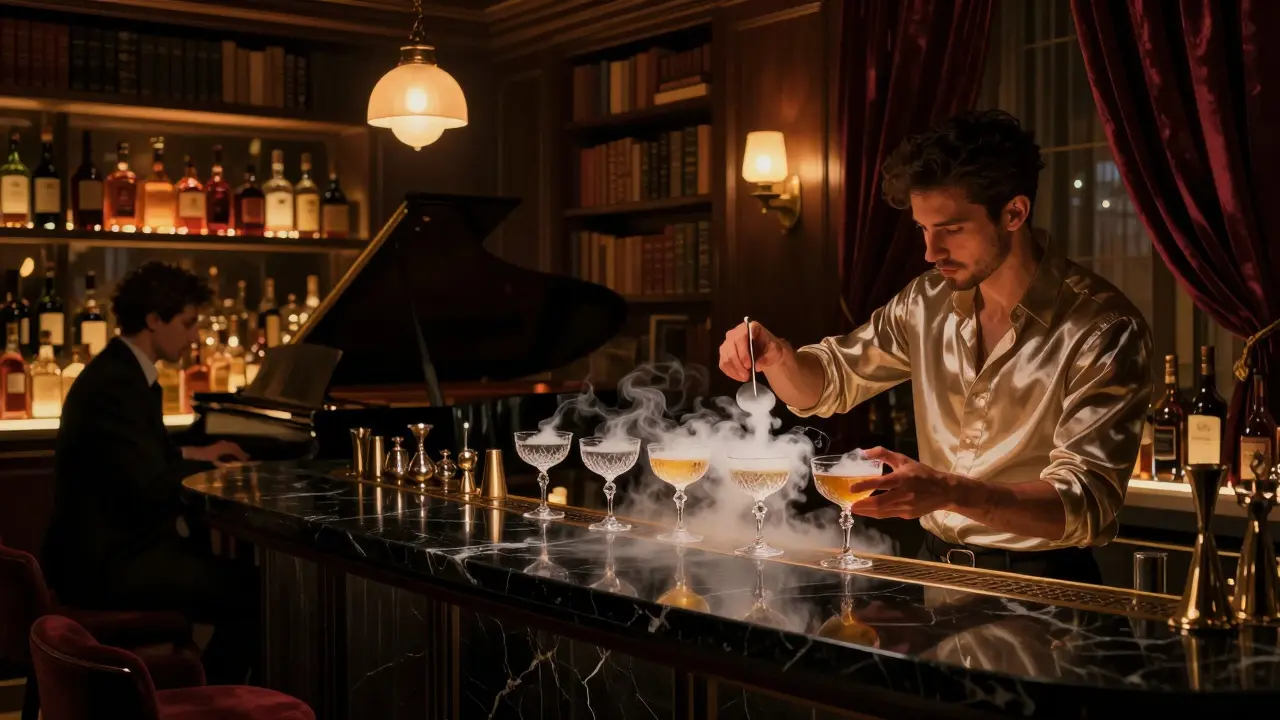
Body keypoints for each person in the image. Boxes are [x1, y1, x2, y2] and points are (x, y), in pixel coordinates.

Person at [719, 110, 1153, 584]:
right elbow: (827, 385)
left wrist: (949, 492)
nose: (931, 251)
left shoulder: (1103, 327)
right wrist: (778, 355)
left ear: (1014, 212)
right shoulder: (926, 300)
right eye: (923, 230)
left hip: (1046, 588)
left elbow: (1086, 504)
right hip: (935, 578)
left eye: (951, 229)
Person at [42, 261, 257, 684]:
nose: (195, 336)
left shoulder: (121, 372)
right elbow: (149, 482)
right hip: (106, 565)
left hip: (103, 552)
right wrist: (213, 471)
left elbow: (138, 454)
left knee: (236, 582)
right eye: (189, 323)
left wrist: (199, 451)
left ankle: (206, 691)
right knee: (253, 593)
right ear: (154, 320)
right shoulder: (118, 383)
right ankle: (211, 701)